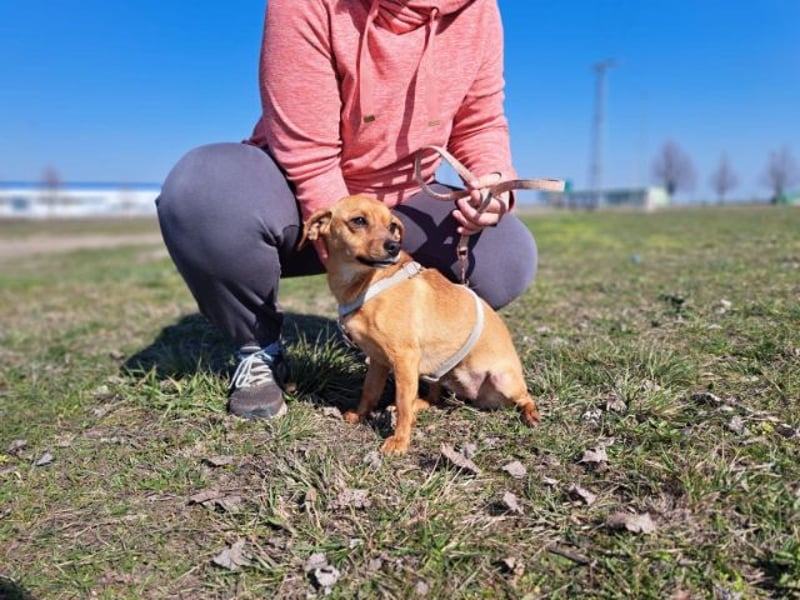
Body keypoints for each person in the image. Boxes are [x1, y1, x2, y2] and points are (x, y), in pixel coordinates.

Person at [156, 0, 538, 420]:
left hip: (398, 203)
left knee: (506, 258)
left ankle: (394, 339)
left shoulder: (478, 10)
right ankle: (258, 349)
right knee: (203, 190)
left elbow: (479, 120)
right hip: (294, 191)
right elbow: (309, 155)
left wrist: (493, 181)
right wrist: (349, 242)